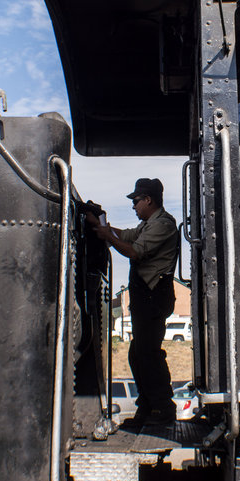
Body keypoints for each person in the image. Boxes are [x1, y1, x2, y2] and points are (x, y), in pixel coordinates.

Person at [86, 177, 180, 427]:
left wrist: (108, 235)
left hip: (153, 297)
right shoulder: (149, 223)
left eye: (136, 201)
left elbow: (134, 251)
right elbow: (127, 235)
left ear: (148, 200)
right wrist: (102, 226)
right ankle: (148, 407)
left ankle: (163, 408)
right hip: (145, 298)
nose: (133, 206)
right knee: (139, 354)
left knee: (148, 354)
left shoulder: (163, 225)